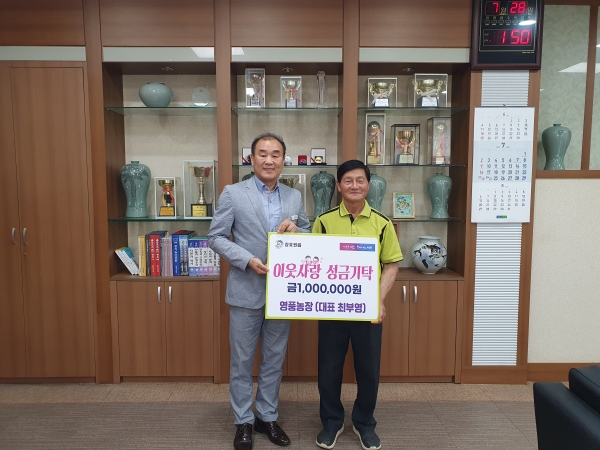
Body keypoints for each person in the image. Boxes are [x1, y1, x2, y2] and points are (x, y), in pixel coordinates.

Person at [208, 132, 310, 450]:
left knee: (274, 360)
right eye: (262, 154)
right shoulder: (233, 193)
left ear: (283, 160)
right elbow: (216, 237)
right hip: (245, 289)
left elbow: (307, 231)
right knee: (241, 361)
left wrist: (297, 230)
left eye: (275, 154)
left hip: (283, 293)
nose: (269, 160)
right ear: (251, 159)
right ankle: (243, 421)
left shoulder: (294, 197)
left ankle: (267, 416)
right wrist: (246, 259)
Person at [311, 160, 403, 450]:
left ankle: (364, 424)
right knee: (329, 369)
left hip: (367, 310)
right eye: (348, 181)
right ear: (338, 186)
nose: (354, 185)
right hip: (332, 308)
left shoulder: (382, 223)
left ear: (368, 185)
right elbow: (311, 261)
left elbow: (391, 265)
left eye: (360, 180)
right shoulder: (324, 221)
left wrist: (378, 300)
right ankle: (332, 422)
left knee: (368, 370)